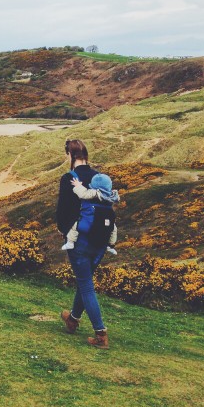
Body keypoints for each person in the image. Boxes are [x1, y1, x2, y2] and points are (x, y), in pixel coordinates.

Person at [55, 138, 109, 349]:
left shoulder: (69, 178)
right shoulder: (99, 177)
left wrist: (63, 229)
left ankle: (101, 334)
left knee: (86, 285)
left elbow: (63, 210)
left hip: (80, 239)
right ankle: (73, 320)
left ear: (70, 155)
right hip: (101, 239)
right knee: (84, 279)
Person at [61, 172, 119, 255]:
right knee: (113, 229)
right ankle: (110, 246)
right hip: (107, 220)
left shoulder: (95, 193)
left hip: (91, 221)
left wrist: (78, 185)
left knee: (75, 225)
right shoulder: (112, 195)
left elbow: (83, 194)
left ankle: (70, 243)